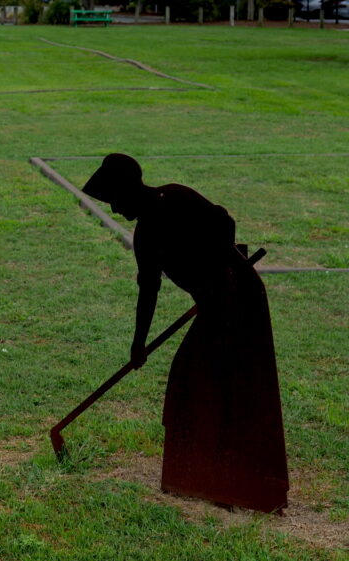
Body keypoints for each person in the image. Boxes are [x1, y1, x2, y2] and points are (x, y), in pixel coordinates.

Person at [82, 153, 288, 513]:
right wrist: (138, 343)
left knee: (226, 387)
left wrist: (220, 268)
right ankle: (203, 476)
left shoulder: (175, 197)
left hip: (239, 297)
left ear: (129, 188)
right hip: (216, 307)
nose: (114, 208)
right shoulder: (145, 235)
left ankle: (242, 484)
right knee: (192, 385)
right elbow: (148, 289)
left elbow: (224, 221)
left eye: (114, 199)